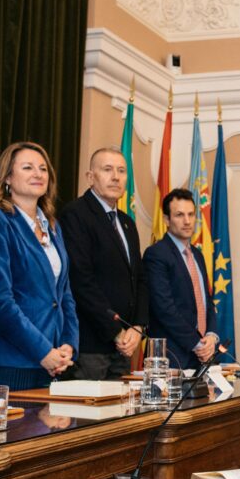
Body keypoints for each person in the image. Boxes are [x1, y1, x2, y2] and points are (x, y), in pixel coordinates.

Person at [0, 142, 78, 390]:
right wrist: (43, 351)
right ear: (7, 177)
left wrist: (68, 344)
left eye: (43, 168)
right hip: (7, 364)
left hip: (53, 362)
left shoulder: (53, 228)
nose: (38, 174)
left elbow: (65, 295)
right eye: (28, 167)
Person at [59, 147, 148, 380]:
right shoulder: (75, 214)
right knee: (88, 406)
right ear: (90, 177)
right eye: (107, 169)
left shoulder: (127, 222)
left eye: (122, 171)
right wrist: (115, 331)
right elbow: (80, 280)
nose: (116, 177)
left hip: (125, 344)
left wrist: (138, 327)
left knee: (121, 405)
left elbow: (139, 279)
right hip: (90, 345)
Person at [143, 188, 218, 368]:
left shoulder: (197, 255)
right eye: (179, 215)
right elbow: (164, 308)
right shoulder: (156, 254)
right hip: (171, 358)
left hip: (202, 356)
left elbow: (206, 301)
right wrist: (197, 344)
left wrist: (211, 335)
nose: (187, 221)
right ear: (166, 219)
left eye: (191, 214)